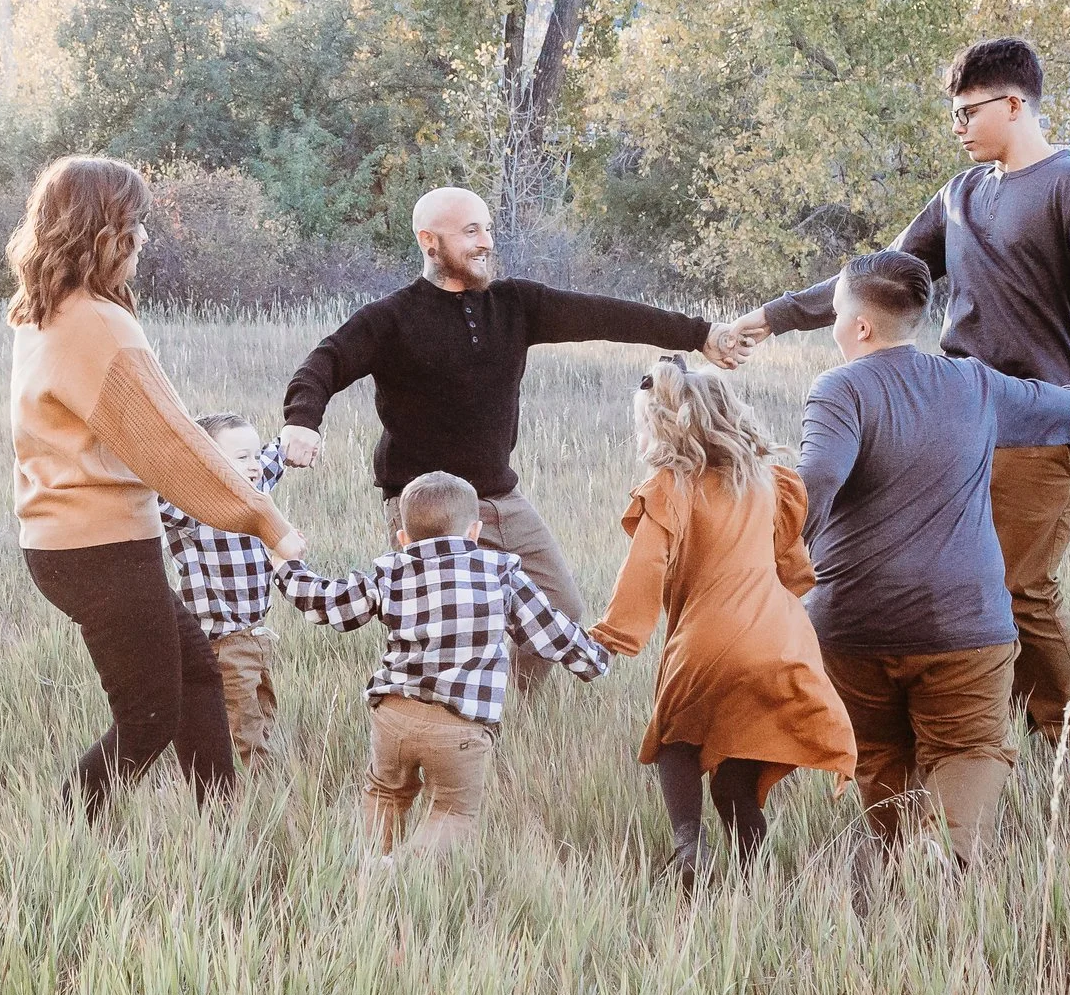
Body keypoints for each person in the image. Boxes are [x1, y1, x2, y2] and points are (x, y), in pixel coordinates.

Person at [733, 37, 1070, 752]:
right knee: (956, 596)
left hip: (1044, 429)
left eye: (968, 112)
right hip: (956, 424)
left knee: (1017, 590)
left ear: (1016, 104)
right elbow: (874, 277)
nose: (957, 126)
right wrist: (774, 316)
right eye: (953, 113)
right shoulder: (961, 195)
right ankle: (961, 735)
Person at [280, 186, 744, 689]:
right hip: (431, 504)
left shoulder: (516, 304)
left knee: (560, 608)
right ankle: (439, 717)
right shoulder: (391, 318)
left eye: (487, 228)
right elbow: (325, 361)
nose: (485, 241)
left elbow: (607, 314)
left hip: (502, 496)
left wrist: (699, 334)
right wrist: (302, 420)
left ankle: (510, 703)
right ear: (429, 241)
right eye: (470, 231)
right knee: (444, 627)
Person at [7, 156, 305, 823]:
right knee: (148, 717)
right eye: (134, 223)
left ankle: (221, 821)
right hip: (101, 548)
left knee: (196, 670)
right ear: (100, 233)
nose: (143, 238)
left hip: (66, 545)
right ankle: (66, 824)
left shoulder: (43, 312)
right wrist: (265, 519)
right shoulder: (98, 325)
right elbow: (174, 444)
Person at [797, 250, 1070, 874]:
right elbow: (1063, 407)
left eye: (835, 314)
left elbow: (819, 477)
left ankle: (900, 868)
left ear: (861, 325)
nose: (834, 327)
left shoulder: (839, 390)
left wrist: (780, 562)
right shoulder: (975, 384)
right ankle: (943, 857)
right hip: (963, 624)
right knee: (969, 749)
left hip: (853, 623)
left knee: (879, 751)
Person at [587, 357, 856, 891]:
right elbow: (793, 565)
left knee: (673, 740)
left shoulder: (670, 486)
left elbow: (645, 567)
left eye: (642, 425)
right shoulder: (768, 482)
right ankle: (754, 881)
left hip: (709, 639)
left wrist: (613, 636)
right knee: (737, 777)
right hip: (781, 638)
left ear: (662, 429)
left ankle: (690, 846)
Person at [275, 471, 610, 858]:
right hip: (459, 724)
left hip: (394, 715)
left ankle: (371, 866)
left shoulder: (391, 573)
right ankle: (403, 867)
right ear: (475, 532)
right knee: (453, 812)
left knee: (385, 793)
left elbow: (329, 604)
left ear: (403, 537)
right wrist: (594, 660)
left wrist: (286, 566)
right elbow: (551, 633)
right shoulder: (500, 575)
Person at [158, 412, 305, 769]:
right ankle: (251, 788)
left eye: (254, 455)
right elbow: (153, 499)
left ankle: (256, 781)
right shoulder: (193, 507)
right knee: (243, 726)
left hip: (256, 635)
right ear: (204, 463)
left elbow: (272, 459)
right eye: (242, 457)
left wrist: (294, 440)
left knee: (263, 710)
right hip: (223, 642)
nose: (254, 465)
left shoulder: (254, 492)